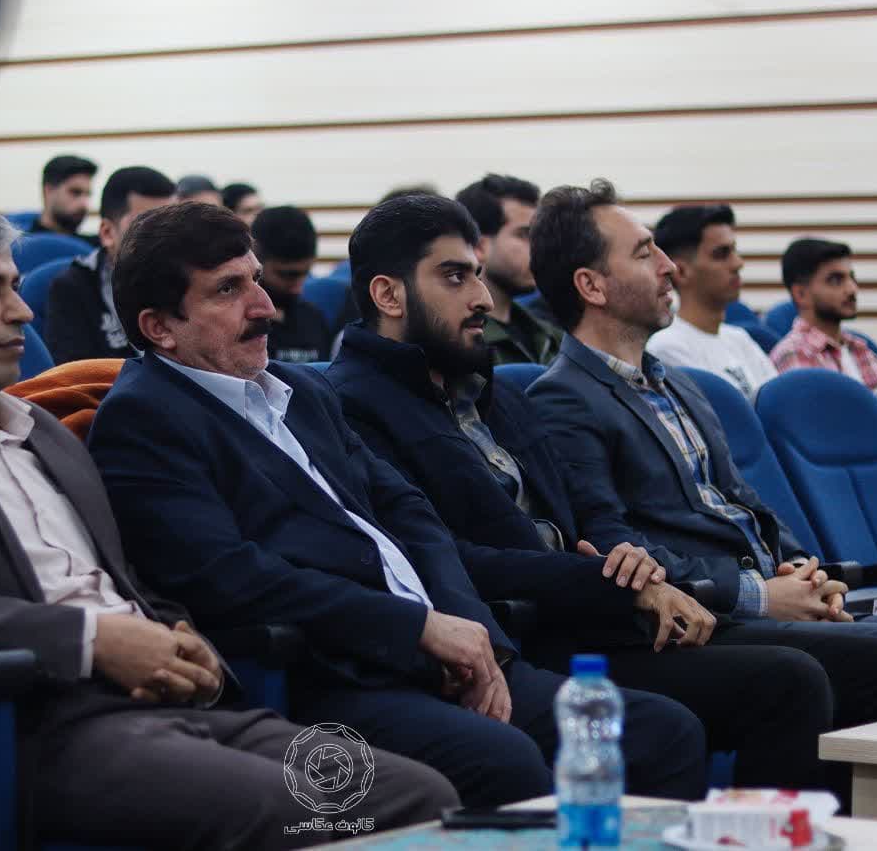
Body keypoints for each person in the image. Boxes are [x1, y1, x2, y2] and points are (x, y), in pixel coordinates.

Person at [0, 201, 456, 849]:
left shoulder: (43, 430)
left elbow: (121, 577)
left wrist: (178, 633)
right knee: (292, 810)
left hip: (169, 702)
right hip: (35, 722)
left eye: (15, 286)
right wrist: (91, 641)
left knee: (416, 794)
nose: (21, 310)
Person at [88, 202, 708, 808]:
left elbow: (412, 516)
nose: (265, 307)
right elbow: (234, 580)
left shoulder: (301, 391)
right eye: (228, 290)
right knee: (504, 759)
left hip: (442, 648)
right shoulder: (145, 419)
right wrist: (417, 631)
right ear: (159, 327)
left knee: (660, 732)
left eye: (256, 279)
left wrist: (474, 638)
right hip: (329, 675)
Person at [325, 194, 841, 790]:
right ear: (388, 296)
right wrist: (609, 583)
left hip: (592, 617)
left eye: (478, 274)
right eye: (454, 277)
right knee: (737, 702)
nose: (483, 298)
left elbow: (595, 518)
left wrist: (639, 568)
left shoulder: (495, 393)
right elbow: (442, 558)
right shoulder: (350, 406)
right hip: (518, 638)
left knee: (806, 675)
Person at [525, 179, 877, 710]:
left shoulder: (678, 383)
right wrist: (759, 596)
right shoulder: (562, 399)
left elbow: (743, 500)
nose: (668, 266)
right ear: (592, 286)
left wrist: (804, 571)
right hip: (705, 615)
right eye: (644, 253)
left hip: (763, 593)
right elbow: (613, 546)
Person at [646, 204, 777, 402]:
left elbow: (777, 407)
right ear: (681, 271)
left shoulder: (741, 339)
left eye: (734, 251)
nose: (738, 263)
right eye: (722, 254)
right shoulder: (667, 348)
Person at [45, 166, 176, 363]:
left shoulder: (188, 280)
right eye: (147, 227)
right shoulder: (73, 288)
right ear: (107, 233)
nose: (164, 240)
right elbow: (77, 377)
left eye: (172, 226)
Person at [454, 175, 562, 365]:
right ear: (479, 247)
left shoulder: (552, 337)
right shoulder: (456, 343)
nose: (539, 248)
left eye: (540, 236)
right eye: (525, 235)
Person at [769, 238, 877, 392]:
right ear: (801, 294)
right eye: (836, 280)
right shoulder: (793, 354)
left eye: (852, 277)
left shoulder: (858, 347)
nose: (852, 289)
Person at [251, 206, 331, 364]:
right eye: (286, 275)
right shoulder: (238, 325)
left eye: (305, 273)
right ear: (256, 261)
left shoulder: (314, 320)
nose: (298, 287)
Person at [31, 155, 98, 246]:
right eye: (75, 192)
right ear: (48, 191)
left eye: (88, 195)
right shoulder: (19, 248)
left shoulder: (97, 248)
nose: (84, 204)